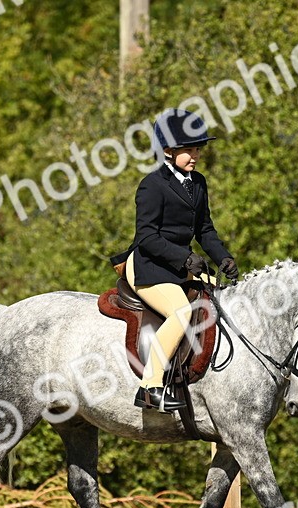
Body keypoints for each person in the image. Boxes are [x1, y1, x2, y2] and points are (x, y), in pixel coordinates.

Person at [110, 108, 239, 413]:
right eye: (188, 150)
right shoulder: (152, 185)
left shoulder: (198, 183)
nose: (194, 155)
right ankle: (150, 386)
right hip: (148, 266)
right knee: (181, 312)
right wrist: (186, 258)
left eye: (197, 149)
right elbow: (147, 237)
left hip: (180, 266)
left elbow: (205, 229)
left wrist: (223, 257)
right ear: (168, 151)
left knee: (222, 300)